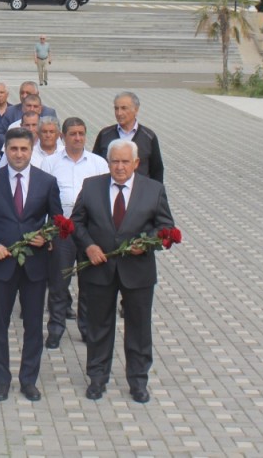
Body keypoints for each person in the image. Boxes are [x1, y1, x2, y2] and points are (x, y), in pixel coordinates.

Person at [71, 138, 175, 403]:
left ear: (136, 163)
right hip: (99, 269)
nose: (119, 167)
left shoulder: (153, 190)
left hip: (137, 271)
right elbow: (76, 223)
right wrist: (89, 246)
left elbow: (165, 227)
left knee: (139, 328)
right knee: (98, 327)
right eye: (115, 161)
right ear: (108, 162)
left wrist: (148, 242)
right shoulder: (92, 186)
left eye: (125, 162)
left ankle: (138, 381)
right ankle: (97, 377)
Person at [0, 127, 63, 401]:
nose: (19, 154)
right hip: (2, 265)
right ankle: (2, 380)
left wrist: (46, 236)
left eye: (24, 149)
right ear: (6, 151)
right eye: (13, 149)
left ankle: (28, 380)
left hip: (35, 266)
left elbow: (57, 221)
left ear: (31, 150)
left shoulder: (46, 181)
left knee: (33, 325)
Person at [45, 116, 107, 348]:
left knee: (89, 283)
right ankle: (55, 328)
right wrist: (47, 233)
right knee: (59, 282)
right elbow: (43, 199)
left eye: (81, 133)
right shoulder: (51, 163)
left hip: (89, 231)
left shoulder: (98, 163)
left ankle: (87, 328)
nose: (78, 138)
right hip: (60, 231)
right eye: (73, 134)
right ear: (63, 137)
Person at [91, 91, 165, 183]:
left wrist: (157, 195)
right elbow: (93, 165)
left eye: (123, 108)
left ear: (136, 110)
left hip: (140, 192)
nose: (119, 113)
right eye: (116, 108)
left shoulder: (148, 137)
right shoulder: (105, 135)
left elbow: (157, 170)